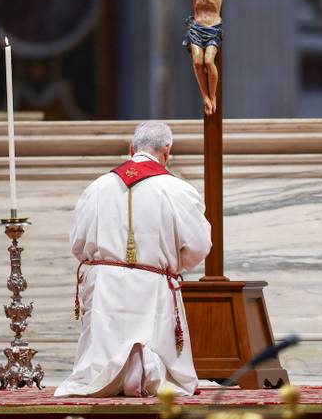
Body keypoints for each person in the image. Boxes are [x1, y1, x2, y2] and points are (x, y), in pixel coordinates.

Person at [55, 121, 212, 397]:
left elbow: (77, 243)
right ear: (167, 151)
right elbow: (199, 245)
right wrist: (174, 266)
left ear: (131, 149)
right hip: (154, 285)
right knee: (156, 341)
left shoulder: (97, 187)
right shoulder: (177, 190)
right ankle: (146, 366)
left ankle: (116, 372)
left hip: (105, 286)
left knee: (97, 361)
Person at [135, 0, 284, 116]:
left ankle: (212, 96)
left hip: (213, 28)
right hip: (197, 28)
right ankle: (205, 96)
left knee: (208, 61)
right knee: (198, 63)